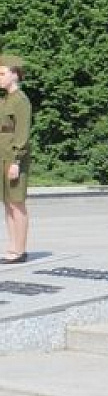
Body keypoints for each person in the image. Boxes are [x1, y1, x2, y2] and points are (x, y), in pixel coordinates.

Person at [0, 55, 32, 264]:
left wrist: (16, 161)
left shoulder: (20, 100)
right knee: (7, 203)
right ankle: (11, 247)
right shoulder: (4, 99)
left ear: (14, 74)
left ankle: (20, 250)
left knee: (16, 203)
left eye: (2, 73)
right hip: (2, 154)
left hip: (13, 156)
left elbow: (22, 133)